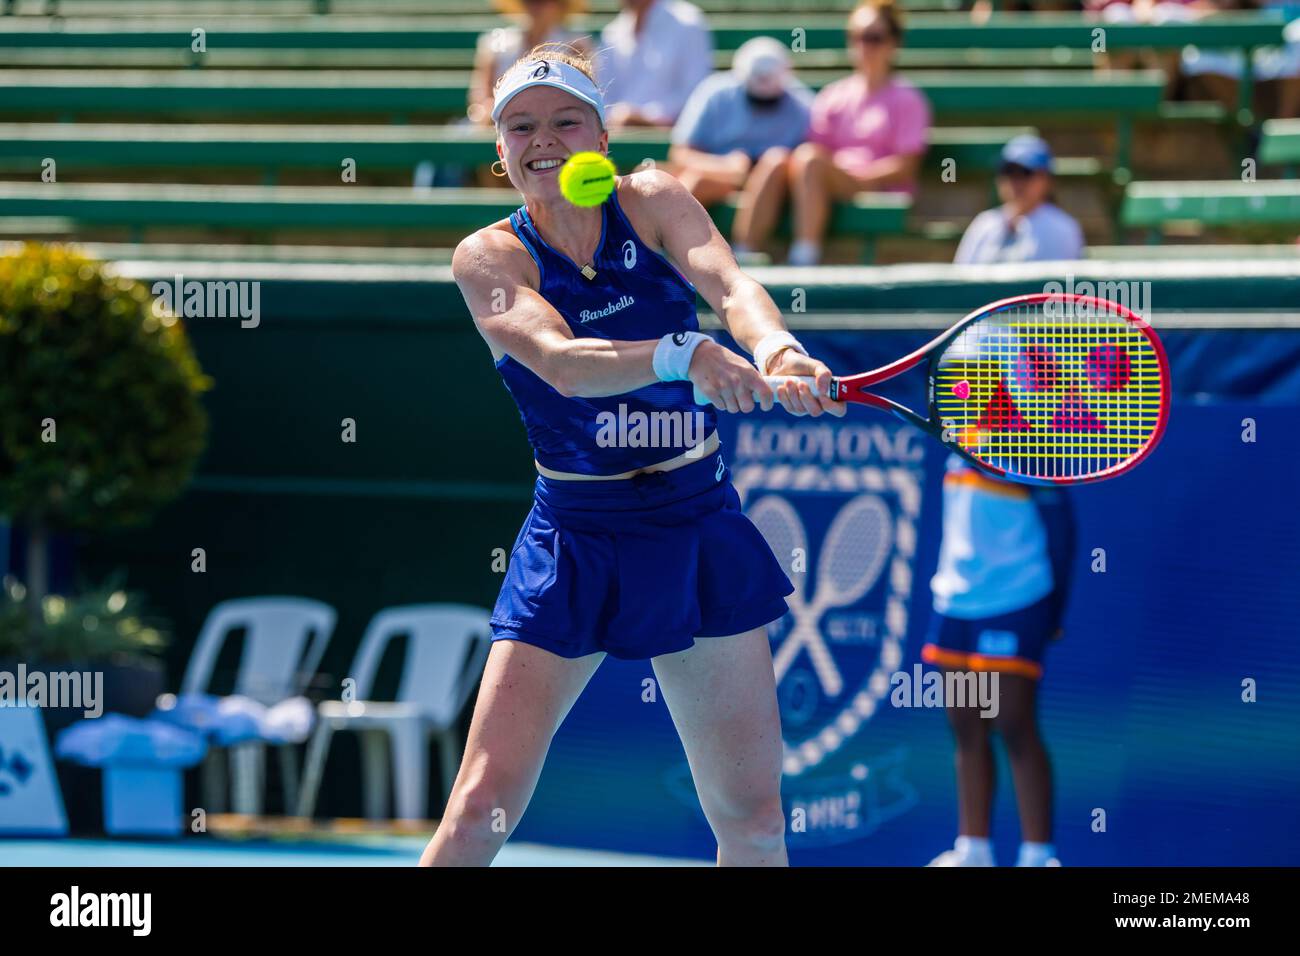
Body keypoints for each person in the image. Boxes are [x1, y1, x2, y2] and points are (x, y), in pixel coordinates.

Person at [419, 44, 846, 868]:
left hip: (696, 524)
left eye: (566, 120)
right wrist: (688, 355)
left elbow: (730, 286)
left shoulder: (652, 200)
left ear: (602, 135)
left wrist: (778, 350)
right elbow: (563, 363)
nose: (545, 138)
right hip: (577, 535)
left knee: (753, 818)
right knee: (480, 810)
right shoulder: (488, 259)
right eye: (522, 126)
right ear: (500, 151)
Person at [785, 0, 931, 266]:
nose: (864, 46)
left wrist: (861, 178)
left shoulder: (908, 98)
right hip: (836, 183)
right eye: (857, 37)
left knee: (808, 159)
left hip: (881, 190)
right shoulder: (833, 94)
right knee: (787, 162)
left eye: (874, 37)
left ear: (893, 43)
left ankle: (803, 258)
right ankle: (751, 252)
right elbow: (816, 150)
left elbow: (906, 165)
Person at [668, 37, 814, 257]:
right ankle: (665, 256)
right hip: (723, 178)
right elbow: (681, 152)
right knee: (690, 181)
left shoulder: (802, 106)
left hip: (777, 186)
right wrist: (726, 166)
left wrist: (757, 171)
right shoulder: (714, 93)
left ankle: (744, 254)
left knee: (775, 162)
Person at [953, 135, 1085, 265]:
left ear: (1046, 179)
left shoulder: (1062, 229)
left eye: (1025, 172)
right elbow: (960, 280)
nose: (1015, 182)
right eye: (1008, 171)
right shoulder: (984, 224)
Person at [595, 0, 715, 128]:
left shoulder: (689, 23)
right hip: (615, 136)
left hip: (672, 137)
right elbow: (604, 95)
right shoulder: (612, 33)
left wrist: (647, 117)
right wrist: (617, 116)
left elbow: (696, 92)